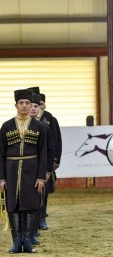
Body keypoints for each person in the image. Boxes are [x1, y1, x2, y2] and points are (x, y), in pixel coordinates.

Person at [0, 89, 47, 253]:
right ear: (16, 105)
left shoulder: (39, 126)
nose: (25, 106)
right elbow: (1, 154)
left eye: (27, 103)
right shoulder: (6, 126)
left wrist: (41, 177)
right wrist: (1, 178)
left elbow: (43, 153)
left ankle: (27, 242)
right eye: (21, 103)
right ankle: (16, 242)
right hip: (11, 170)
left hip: (31, 171)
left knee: (30, 204)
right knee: (13, 205)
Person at [32, 87, 61, 230]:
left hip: (45, 162)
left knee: (43, 191)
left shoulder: (49, 119)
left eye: (39, 104)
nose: (36, 107)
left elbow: (56, 142)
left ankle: (42, 216)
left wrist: (55, 161)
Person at [29, 93, 55, 246]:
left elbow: (51, 147)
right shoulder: (11, 125)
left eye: (35, 106)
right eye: (29, 105)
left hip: (40, 167)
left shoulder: (45, 124)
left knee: (39, 198)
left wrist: (47, 169)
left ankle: (37, 224)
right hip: (22, 169)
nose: (32, 108)